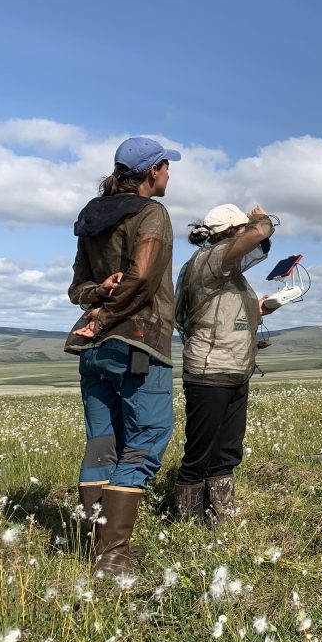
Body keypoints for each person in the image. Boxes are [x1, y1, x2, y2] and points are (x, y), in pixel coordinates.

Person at [65, 136, 180, 576]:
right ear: (154, 171)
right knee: (145, 441)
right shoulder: (152, 214)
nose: (169, 176)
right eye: (167, 168)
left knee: (102, 444)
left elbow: (77, 289)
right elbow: (143, 280)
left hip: (93, 351)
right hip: (136, 343)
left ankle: (96, 548)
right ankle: (113, 558)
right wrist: (109, 311)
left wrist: (97, 300)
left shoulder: (92, 217)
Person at [173, 203, 276, 523]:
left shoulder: (227, 272)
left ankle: (221, 519)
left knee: (226, 452)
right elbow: (260, 232)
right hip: (210, 370)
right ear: (232, 233)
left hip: (233, 369)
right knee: (200, 454)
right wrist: (259, 218)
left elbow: (220, 316)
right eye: (242, 231)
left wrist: (258, 310)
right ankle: (188, 525)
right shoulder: (212, 260)